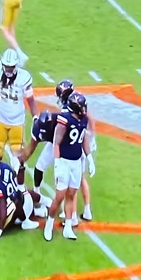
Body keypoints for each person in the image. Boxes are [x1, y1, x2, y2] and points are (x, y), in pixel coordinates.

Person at [46, 89, 89, 240]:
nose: (84, 109)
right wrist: (57, 162)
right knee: (59, 197)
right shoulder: (64, 120)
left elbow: (83, 138)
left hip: (76, 162)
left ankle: (68, 227)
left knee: (71, 194)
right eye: (82, 107)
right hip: (64, 162)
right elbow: (56, 143)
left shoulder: (84, 120)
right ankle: (49, 224)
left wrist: (89, 157)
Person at [0, 48, 34, 165]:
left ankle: (19, 184)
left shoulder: (24, 77)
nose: (8, 69)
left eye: (11, 66)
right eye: (6, 66)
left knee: (18, 159)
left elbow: (30, 100)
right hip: (1, 118)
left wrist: (35, 117)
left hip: (17, 122)